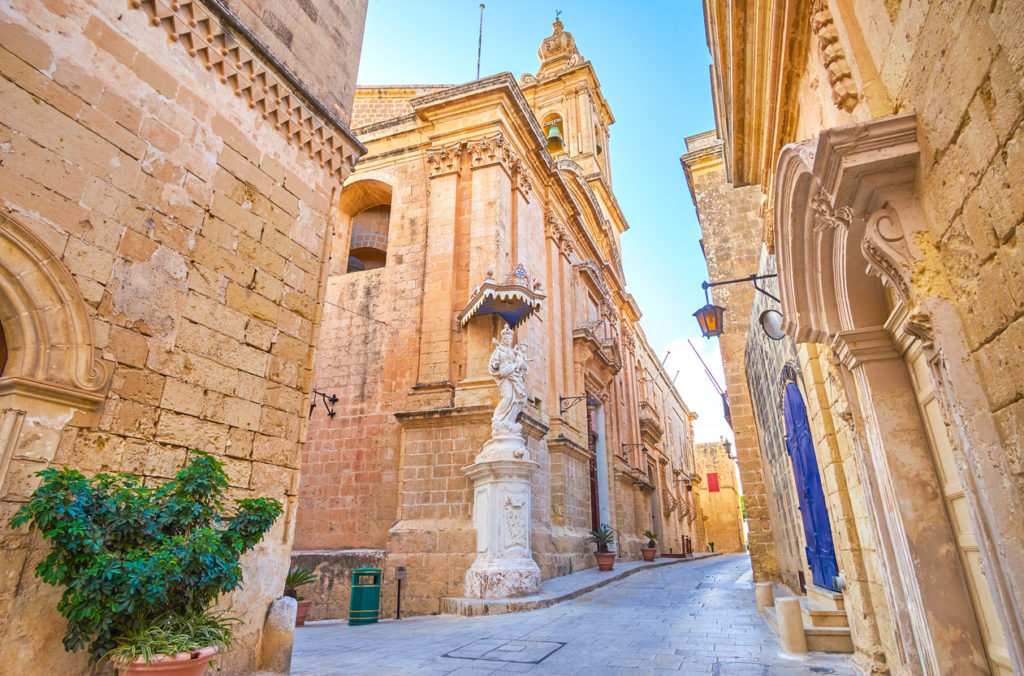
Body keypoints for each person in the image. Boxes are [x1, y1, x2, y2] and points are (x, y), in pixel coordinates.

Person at [489, 326, 528, 436]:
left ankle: (509, 420)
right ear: (503, 339)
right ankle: (498, 419)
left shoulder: (513, 351)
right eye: (505, 339)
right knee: (507, 396)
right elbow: (494, 363)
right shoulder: (498, 350)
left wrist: (520, 364)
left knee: (515, 398)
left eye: (509, 339)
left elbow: (520, 362)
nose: (507, 341)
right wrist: (496, 364)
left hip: (513, 375)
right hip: (504, 375)